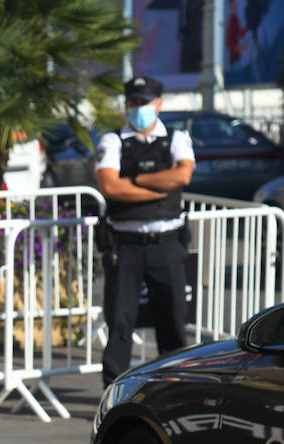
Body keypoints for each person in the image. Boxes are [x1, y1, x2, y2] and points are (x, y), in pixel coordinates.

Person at [94, 75, 196, 386]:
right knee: (121, 322)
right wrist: (155, 187)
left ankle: (173, 387)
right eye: (133, 102)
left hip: (166, 243)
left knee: (173, 322)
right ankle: (114, 390)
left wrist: (134, 181)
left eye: (145, 102)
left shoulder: (176, 138)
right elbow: (109, 185)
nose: (138, 108)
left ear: (159, 104)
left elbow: (183, 176)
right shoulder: (112, 140)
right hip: (125, 246)